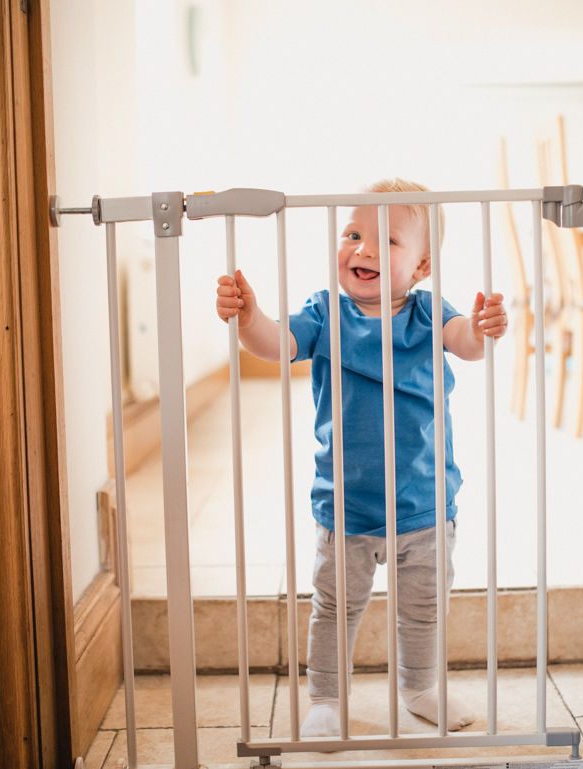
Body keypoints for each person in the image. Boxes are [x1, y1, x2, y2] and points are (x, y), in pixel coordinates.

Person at [214, 178, 508, 738]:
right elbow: (278, 345)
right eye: (352, 233)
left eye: (387, 241)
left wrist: (483, 328)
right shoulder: (325, 313)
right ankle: (326, 697)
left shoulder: (428, 314)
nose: (364, 249)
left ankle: (419, 686)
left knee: (423, 609)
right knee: (335, 609)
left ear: (421, 267)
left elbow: (465, 342)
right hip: (346, 508)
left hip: (424, 506)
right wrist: (249, 318)